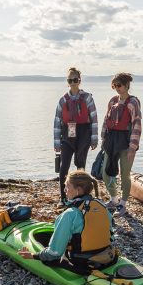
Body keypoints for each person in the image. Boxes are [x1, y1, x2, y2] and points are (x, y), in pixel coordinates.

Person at [18, 170, 116, 272]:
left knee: (48, 259)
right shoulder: (102, 205)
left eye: (67, 187)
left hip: (82, 262)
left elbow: (54, 253)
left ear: (78, 189)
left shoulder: (70, 214)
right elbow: (111, 235)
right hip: (106, 255)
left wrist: (33, 256)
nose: (64, 190)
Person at [99, 73, 142, 215]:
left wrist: (132, 147)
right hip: (111, 140)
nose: (116, 88)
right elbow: (106, 121)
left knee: (125, 174)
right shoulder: (112, 101)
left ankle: (123, 204)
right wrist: (103, 140)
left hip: (126, 141)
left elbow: (136, 124)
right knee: (106, 172)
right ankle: (114, 199)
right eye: (114, 86)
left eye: (119, 85)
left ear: (126, 85)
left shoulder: (133, 102)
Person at [53, 67, 98, 203]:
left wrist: (94, 139)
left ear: (79, 81)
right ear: (68, 82)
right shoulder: (63, 100)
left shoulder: (87, 98)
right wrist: (56, 143)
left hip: (84, 133)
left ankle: (81, 197)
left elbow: (94, 118)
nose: (73, 82)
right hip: (68, 134)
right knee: (64, 166)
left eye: (75, 80)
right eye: (70, 80)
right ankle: (63, 198)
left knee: (81, 166)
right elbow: (57, 122)